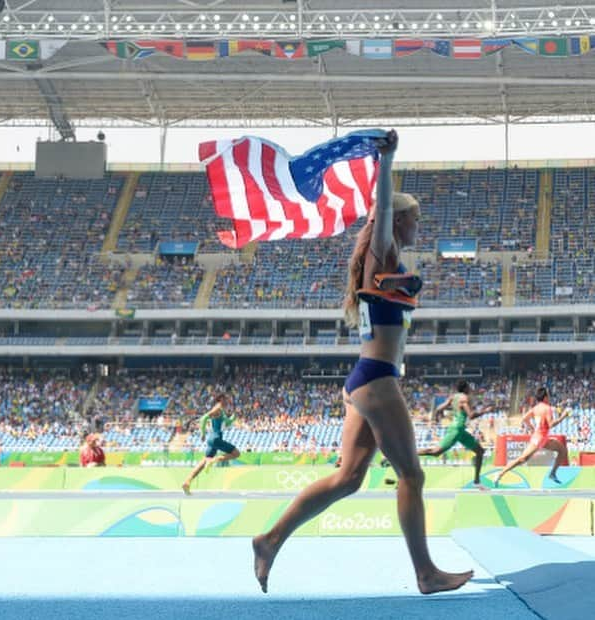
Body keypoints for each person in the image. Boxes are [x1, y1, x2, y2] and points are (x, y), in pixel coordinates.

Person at [252, 130, 473, 595]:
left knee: (349, 478)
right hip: (375, 380)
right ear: (400, 220)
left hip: (365, 379)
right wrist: (388, 162)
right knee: (411, 474)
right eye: (414, 219)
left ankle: (270, 539)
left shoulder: (384, 259)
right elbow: (383, 207)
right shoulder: (382, 251)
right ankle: (427, 573)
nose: (417, 226)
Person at [418, 379, 494, 486]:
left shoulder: (453, 397)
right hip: (457, 430)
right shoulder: (464, 398)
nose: (470, 389)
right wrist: (485, 411)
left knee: (480, 451)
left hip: (460, 430)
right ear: (465, 388)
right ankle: (411, 454)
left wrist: (435, 418)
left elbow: (439, 408)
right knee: (436, 452)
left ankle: (477, 481)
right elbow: (471, 415)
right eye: (469, 387)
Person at [494, 386, 569, 487]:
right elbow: (551, 424)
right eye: (548, 395)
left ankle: (552, 473)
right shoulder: (547, 408)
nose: (549, 397)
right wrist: (563, 417)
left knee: (562, 450)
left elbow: (524, 418)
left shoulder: (535, 408)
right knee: (522, 459)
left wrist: (532, 428)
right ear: (545, 397)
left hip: (543, 438)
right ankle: (500, 474)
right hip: (539, 439)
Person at [182, 393, 240, 495]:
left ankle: (187, 481)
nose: (227, 401)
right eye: (226, 399)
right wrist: (203, 433)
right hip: (216, 438)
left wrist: (234, 416)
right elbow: (204, 418)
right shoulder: (217, 408)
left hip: (212, 440)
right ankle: (214, 460)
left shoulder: (221, 410)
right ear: (220, 399)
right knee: (236, 454)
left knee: (204, 461)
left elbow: (226, 423)